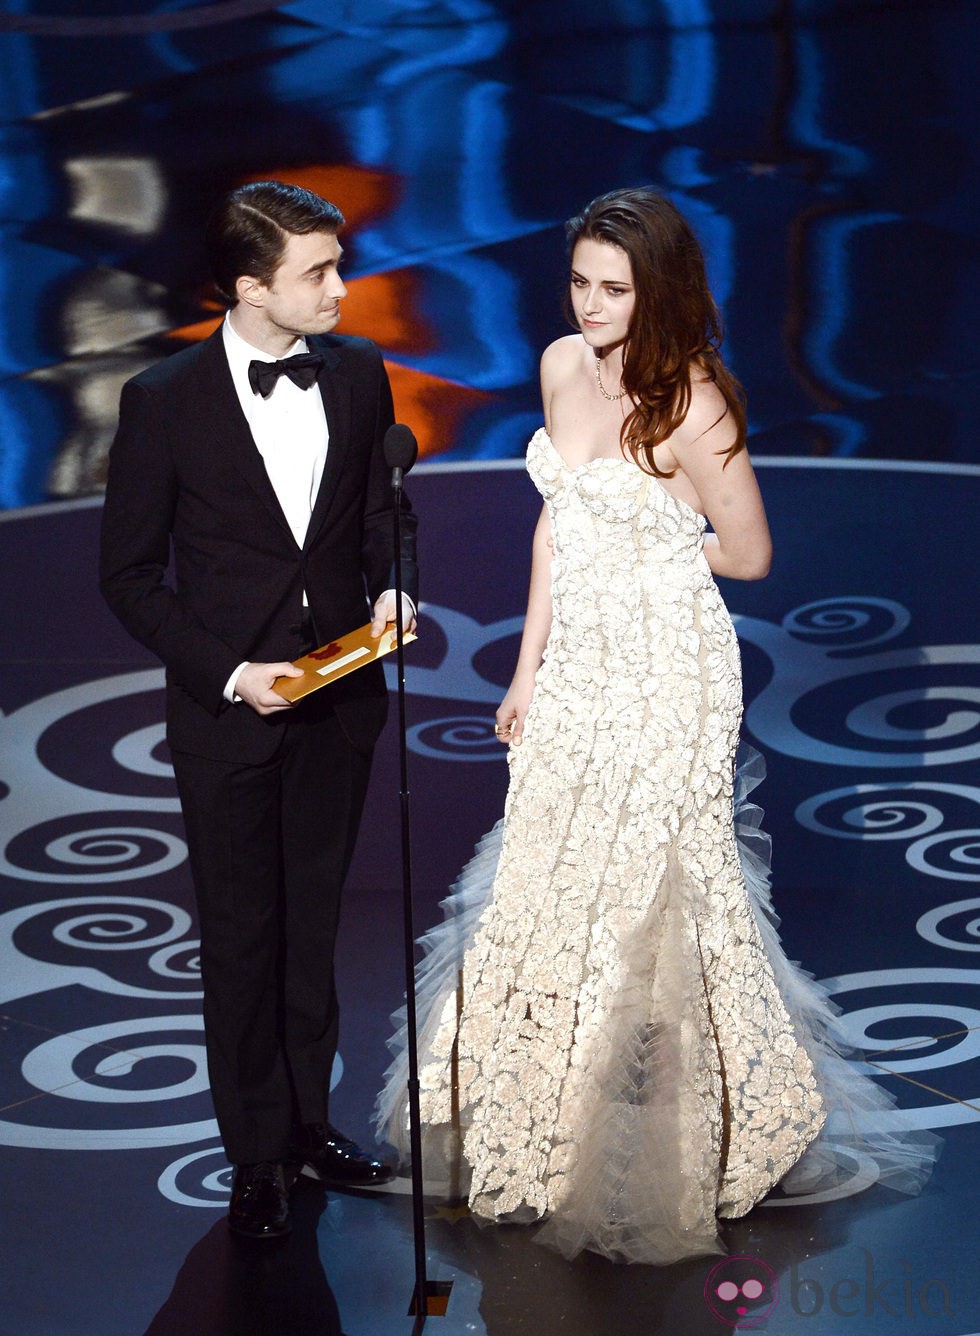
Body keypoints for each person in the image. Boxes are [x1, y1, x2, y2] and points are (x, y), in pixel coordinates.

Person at [376, 188, 935, 1264]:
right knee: (547, 878)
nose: (590, 305)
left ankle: (687, 1139)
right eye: (579, 283)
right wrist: (526, 670)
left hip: (669, 673)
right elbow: (559, 520)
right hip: (576, 670)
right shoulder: (554, 367)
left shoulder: (692, 402)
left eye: (613, 288)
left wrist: (658, 551)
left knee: (648, 892)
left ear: (658, 288)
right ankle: (528, 1131)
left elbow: (748, 553)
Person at [101, 180, 418, 1240]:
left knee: (313, 926)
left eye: (338, 264)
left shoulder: (362, 373)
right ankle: (255, 1156)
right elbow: (131, 577)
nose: (342, 288)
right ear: (250, 287)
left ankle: (309, 1127)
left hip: (339, 705)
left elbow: (373, 515)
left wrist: (389, 589)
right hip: (230, 716)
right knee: (243, 937)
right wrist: (232, 672)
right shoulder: (164, 401)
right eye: (317, 272)